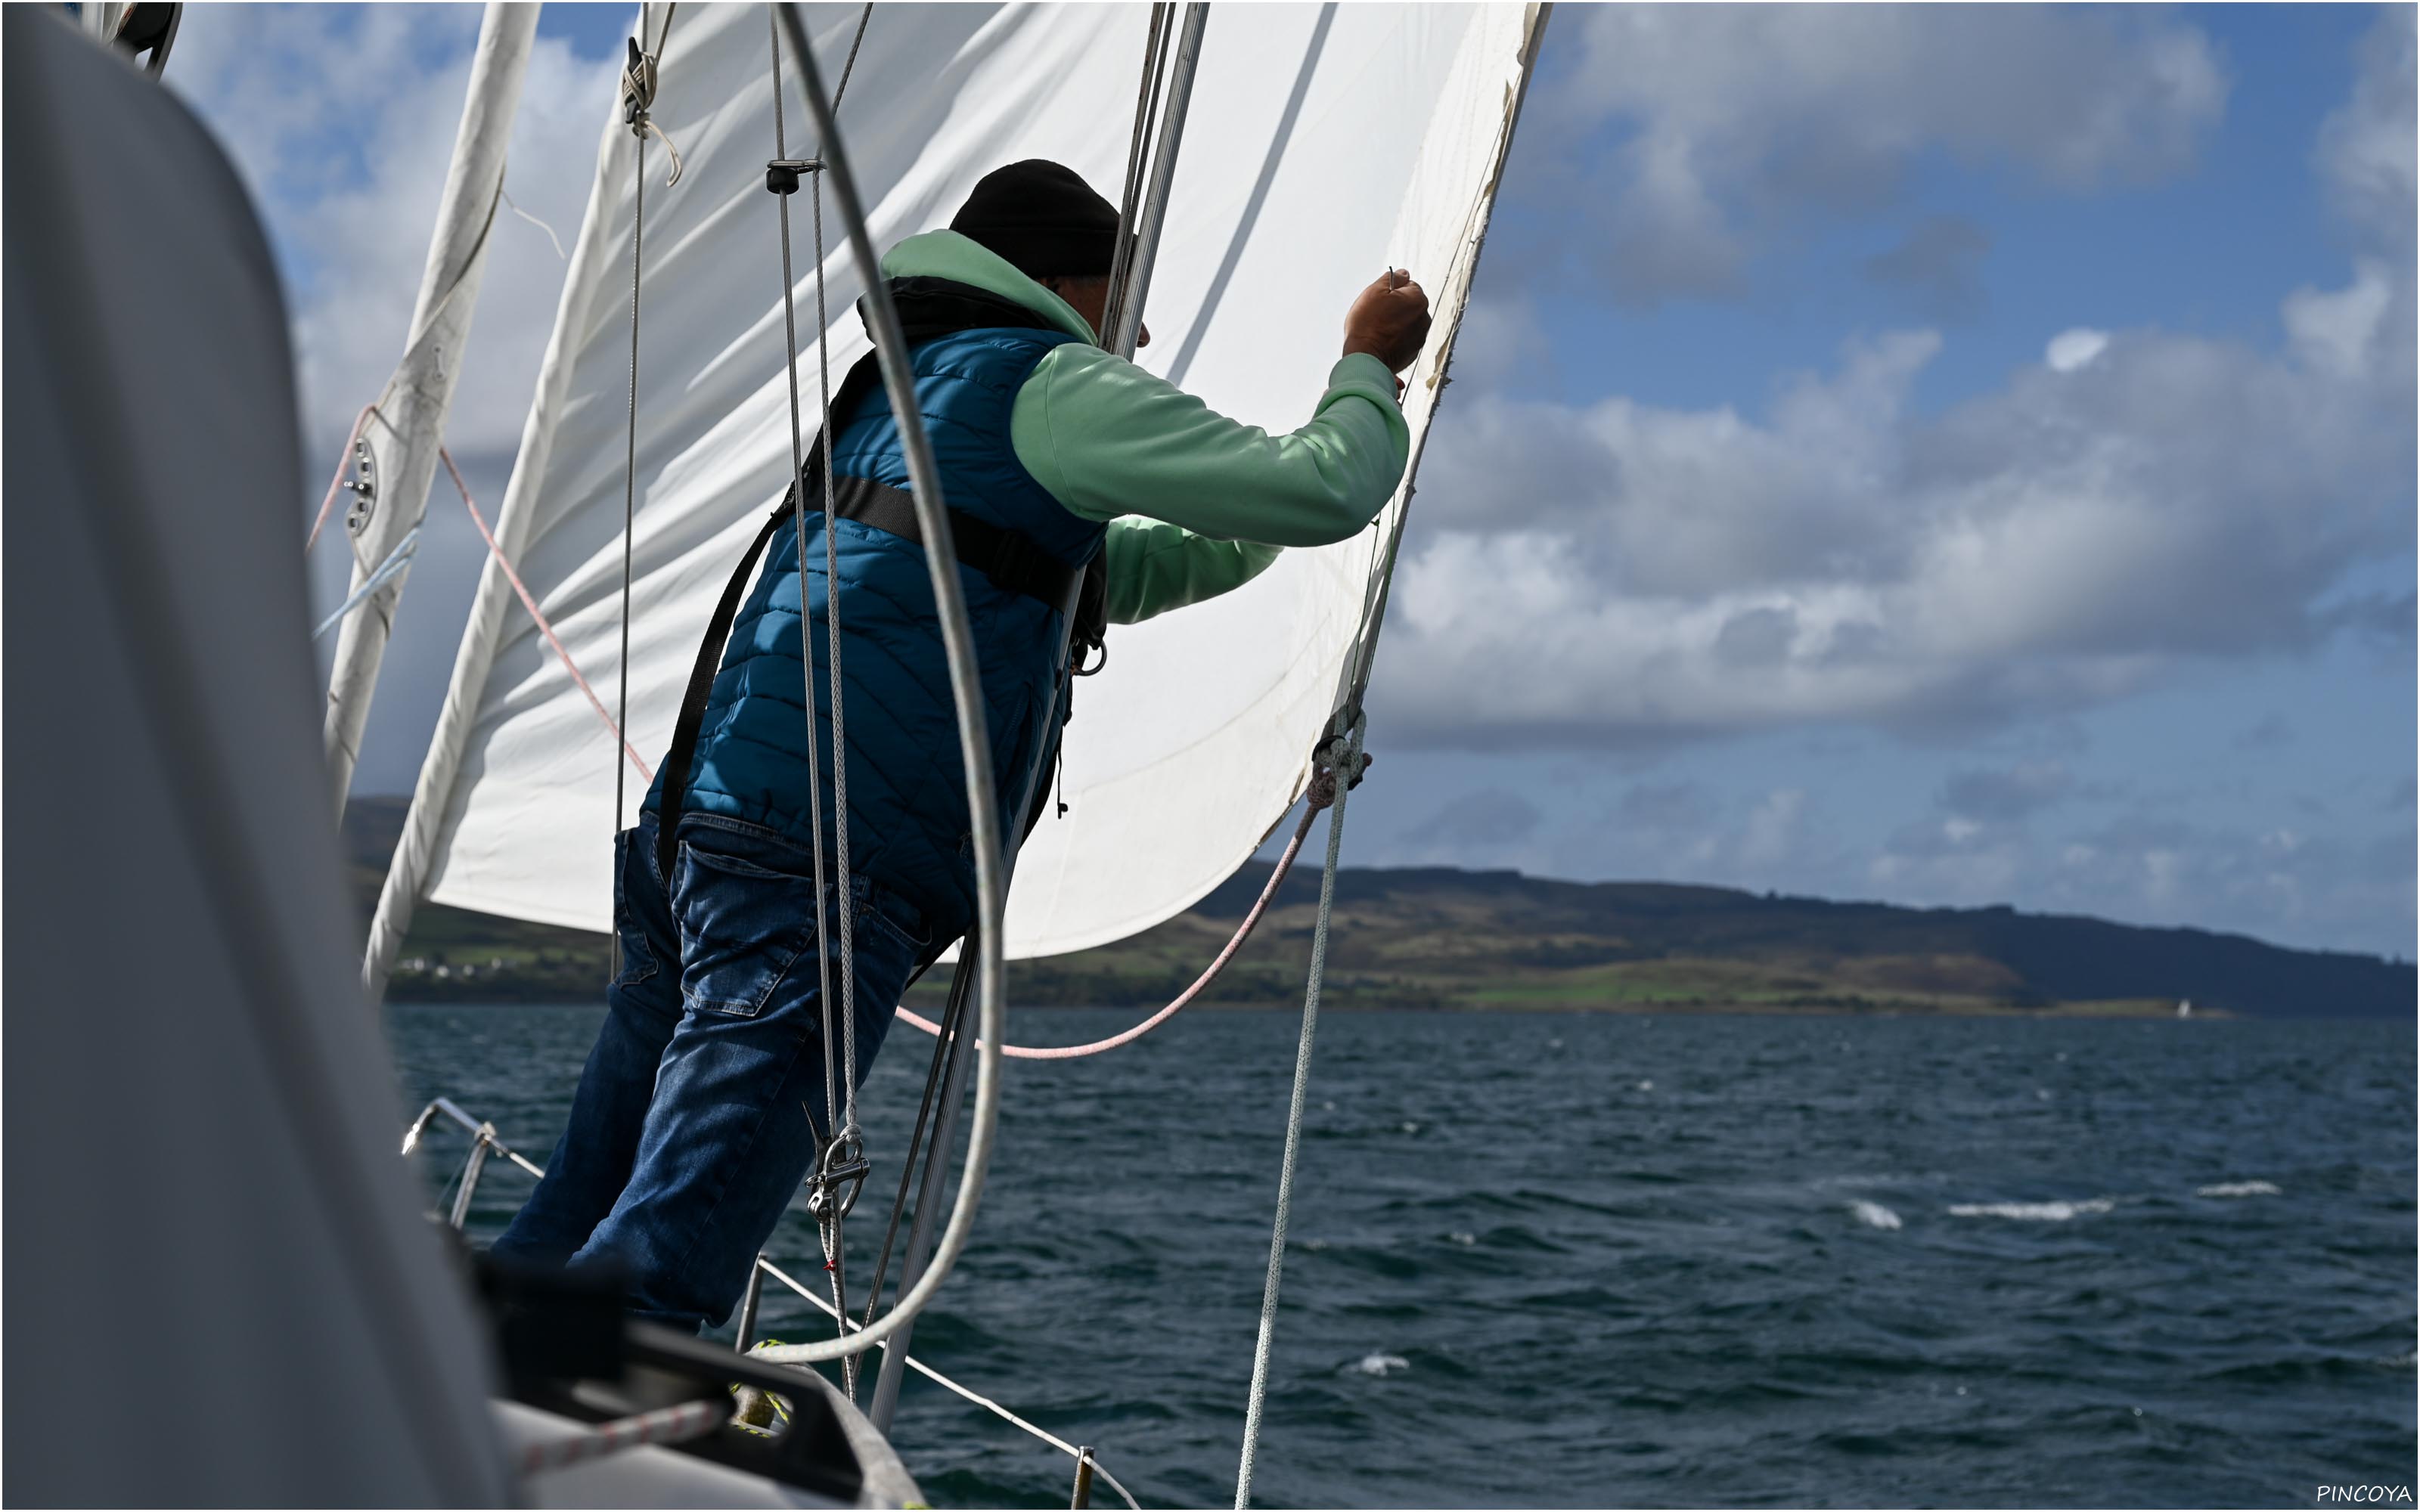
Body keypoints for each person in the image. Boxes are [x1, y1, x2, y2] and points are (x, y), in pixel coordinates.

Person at [494, 160, 1432, 1331]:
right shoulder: (1048, 383)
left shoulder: (907, 393)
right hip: (829, 861)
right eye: (1124, 296)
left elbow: (1136, 562)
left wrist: (1273, 505)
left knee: (569, 1218)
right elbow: (1325, 490)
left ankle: (443, 1396)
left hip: (708, 829)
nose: (1138, 331)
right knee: (657, 1275)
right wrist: (1370, 368)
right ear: (1065, 283)